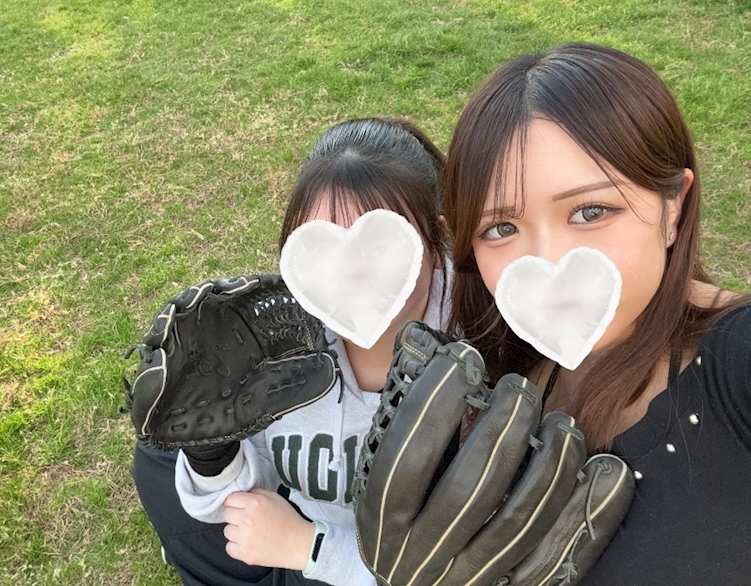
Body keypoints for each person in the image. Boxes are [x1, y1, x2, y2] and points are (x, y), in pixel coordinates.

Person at [441, 42, 751, 585]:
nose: (548, 262)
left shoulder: (737, 358)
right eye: (501, 228)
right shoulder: (498, 386)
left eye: (590, 211)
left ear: (673, 205)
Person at [133, 117, 453, 585]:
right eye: (325, 249)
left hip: (374, 567)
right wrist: (213, 455)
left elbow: (470, 566)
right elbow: (243, 495)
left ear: (436, 242)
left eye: (382, 246)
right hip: (299, 532)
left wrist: (310, 546)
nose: (352, 275)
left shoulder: (480, 364)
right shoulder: (283, 338)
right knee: (159, 454)